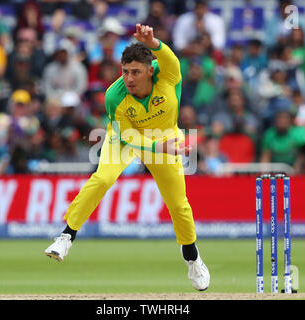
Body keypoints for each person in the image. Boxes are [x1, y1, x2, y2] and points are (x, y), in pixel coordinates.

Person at [44, 24, 210, 291]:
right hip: (127, 137)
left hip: (166, 138)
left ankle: (192, 257)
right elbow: (129, 139)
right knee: (102, 178)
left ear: (149, 70)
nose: (129, 78)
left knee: (178, 204)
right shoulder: (114, 95)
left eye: (135, 72)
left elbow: (170, 58)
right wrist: (158, 148)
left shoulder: (166, 75)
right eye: (125, 71)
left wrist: (154, 43)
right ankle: (66, 236)